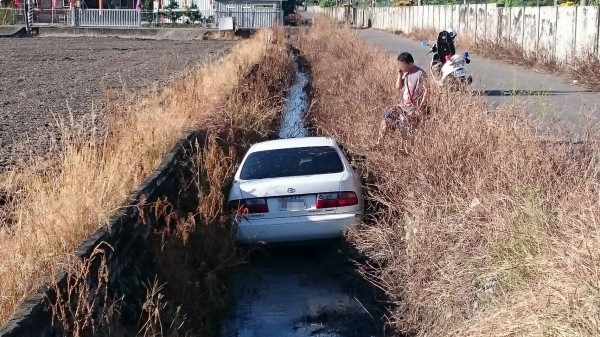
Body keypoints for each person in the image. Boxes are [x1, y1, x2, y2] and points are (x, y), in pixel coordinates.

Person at [374, 52, 428, 147]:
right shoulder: (406, 73)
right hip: (402, 107)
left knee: (405, 134)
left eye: (402, 64)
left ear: (410, 63)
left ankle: (405, 150)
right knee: (386, 120)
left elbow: (427, 90)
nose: (400, 66)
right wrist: (400, 74)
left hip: (413, 109)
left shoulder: (420, 74)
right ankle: (379, 144)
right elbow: (398, 87)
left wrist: (421, 107)